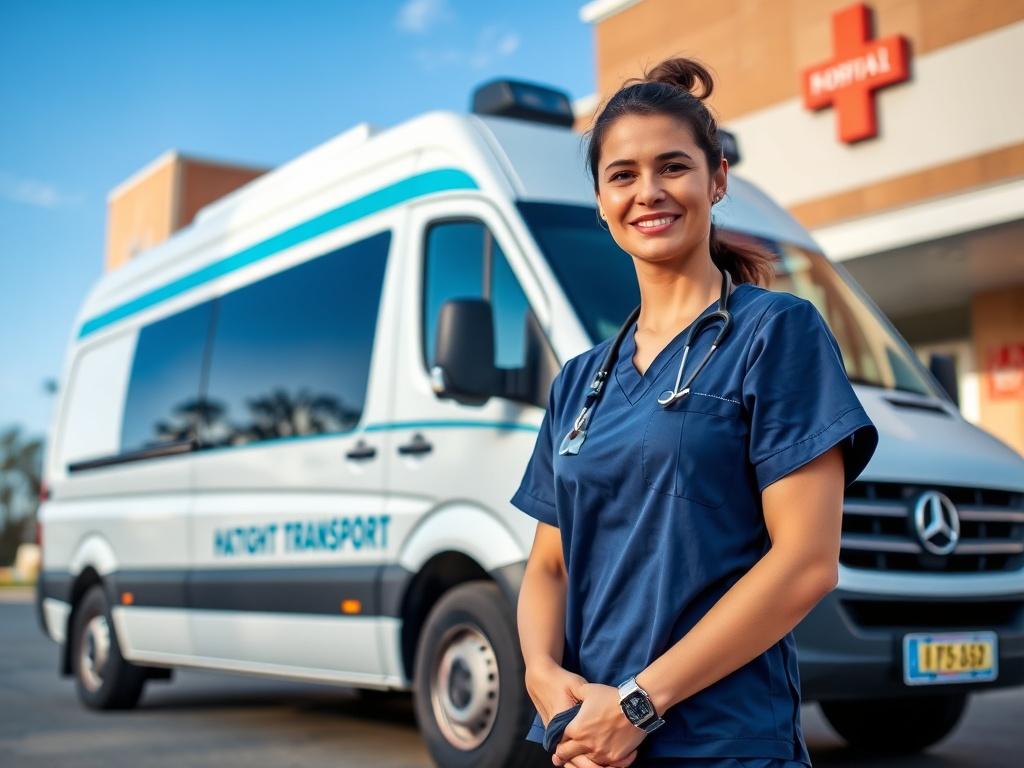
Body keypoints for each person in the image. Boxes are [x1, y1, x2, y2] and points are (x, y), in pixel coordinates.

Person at [511, 56, 879, 768]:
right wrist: (545, 681)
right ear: (599, 199)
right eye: (622, 175)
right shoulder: (582, 380)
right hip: (588, 745)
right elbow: (548, 569)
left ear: (717, 180)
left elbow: (806, 563)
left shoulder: (777, 333)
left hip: (722, 743)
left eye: (672, 167)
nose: (648, 192)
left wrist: (639, 705)